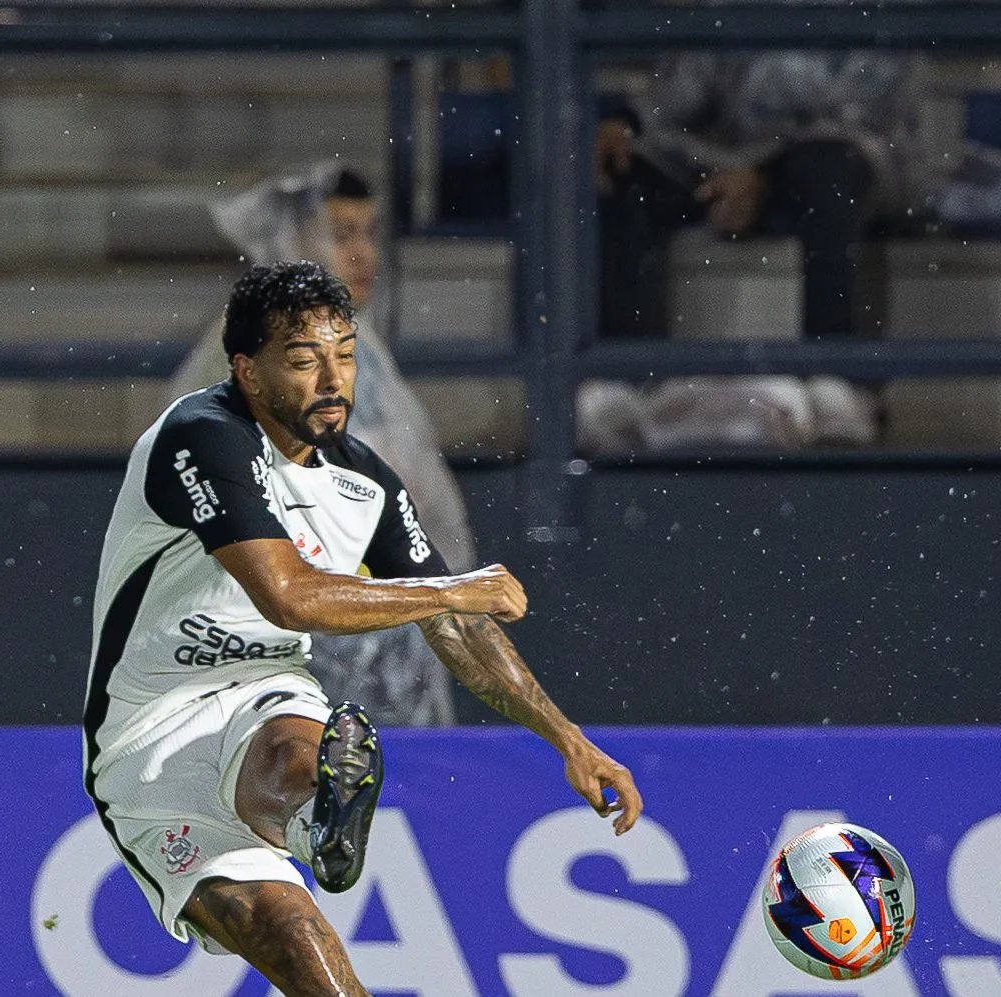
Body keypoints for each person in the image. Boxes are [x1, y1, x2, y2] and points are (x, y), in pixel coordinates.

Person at [90, 261, 642, 995]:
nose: (332, 379)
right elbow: (288, 597)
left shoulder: (366, 483)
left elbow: (459, 630)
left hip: (266, 693)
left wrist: (568, 737)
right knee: (286, 930)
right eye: (303, 360)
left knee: (299, 752)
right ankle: (315, 822)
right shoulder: (202, 434)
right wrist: (451, 588)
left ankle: (317, 819)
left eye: (344, 355)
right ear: (248, 372)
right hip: (148, 736)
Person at [169, 163, 475, 726]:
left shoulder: (367, 355)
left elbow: (416, 504)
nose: (365, 255)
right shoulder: (242, 359)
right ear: (295, 241)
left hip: (375, 644)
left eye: (369, 232)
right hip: (283, 656)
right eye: (342, 234)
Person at [586, 51, 938, 450]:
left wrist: (761, 174)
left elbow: (858, 119)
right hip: (730, 159)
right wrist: (628, 123)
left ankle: (838, 379)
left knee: (832, 170)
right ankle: (628, 379)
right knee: (623, 169)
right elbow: (689, 82)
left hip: (854, 160)